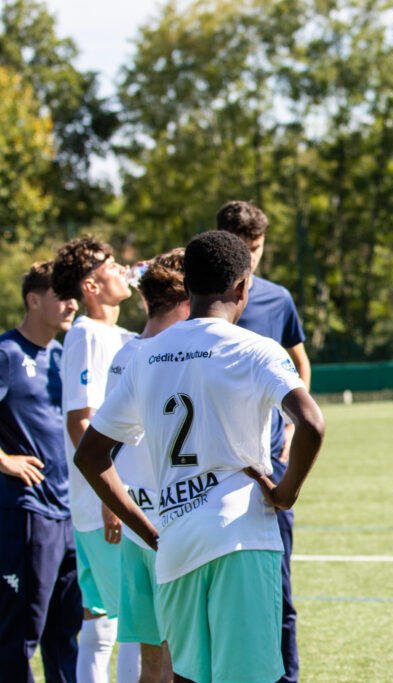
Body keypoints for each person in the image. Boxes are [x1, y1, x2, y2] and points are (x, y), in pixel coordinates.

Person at [72, 229, 325, 683]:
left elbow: (91, 455)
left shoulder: (145, 357)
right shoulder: (255, 350)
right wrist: (286, 493)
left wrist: (146, 529)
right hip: (242, 539)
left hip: (175, 539)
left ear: (187, 287)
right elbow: (312, 422)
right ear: (243, 288)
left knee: (185, 675)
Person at [216, 200, 310, 683]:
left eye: (257, 248)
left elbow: (299, 360)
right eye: (242, 249)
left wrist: (292, 426)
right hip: (208, 471)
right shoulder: (197, 301)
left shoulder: (276, 299)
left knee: (280, 590)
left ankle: (285, 677)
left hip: (267, 466)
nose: (251, 259)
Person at [51, 235, 138, 683]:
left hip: (103, 498)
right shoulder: (86, 334)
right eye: (110, 265)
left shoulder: (114, 333)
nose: (121, 269)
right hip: (104, 501)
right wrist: (112, 496)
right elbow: (79, 422)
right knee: (130, 624)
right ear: (90, 285)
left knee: (102, 623)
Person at [106, 249, 189, 683]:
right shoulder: (172, 358)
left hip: (134, 521)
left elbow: (106, 446)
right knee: (178, 662)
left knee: (149, 664)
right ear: (184, 301)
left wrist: (111, 505)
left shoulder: (124, 354)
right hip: (170, 524)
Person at [0, 262, 81, 682]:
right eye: (61, 294)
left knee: (66, 635)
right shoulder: (7, 353)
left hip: (66, 512)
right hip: (26, 512)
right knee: (19, 635)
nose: (72, 304)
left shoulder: (63, 356)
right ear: (33, 300)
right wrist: (4, 460)